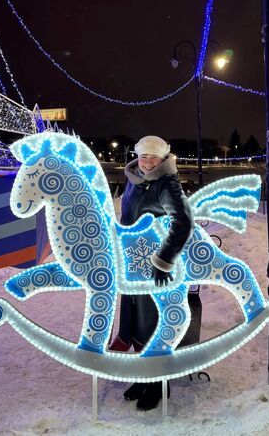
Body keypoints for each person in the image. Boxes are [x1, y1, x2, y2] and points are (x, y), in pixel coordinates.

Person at [109, 135, 195, 411]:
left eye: (153, 157)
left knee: (151, 323)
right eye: (143, 156)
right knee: (134, 320)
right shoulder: (134, 179)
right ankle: (144, 376)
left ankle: (159, 383)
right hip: (133, 263)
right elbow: (128, 218)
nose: (147, 162)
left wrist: (163, 260)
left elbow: (183, 223)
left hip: (154, 266)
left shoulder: (167, 183)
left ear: (163, 158)